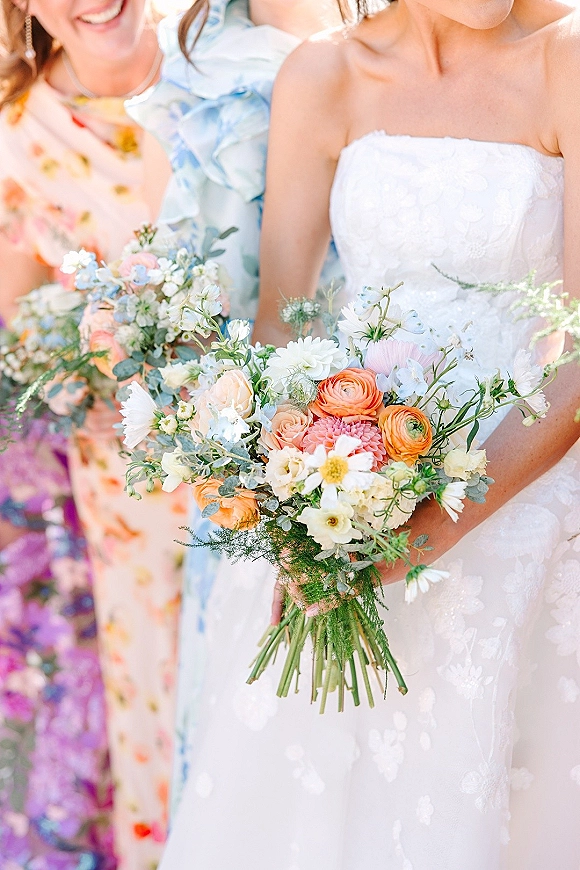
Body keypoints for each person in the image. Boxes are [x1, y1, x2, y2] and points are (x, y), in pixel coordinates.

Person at [157, 0, 580, 868]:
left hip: (521, 501)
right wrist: (297, 517)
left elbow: (577, 359)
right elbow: (282, 334)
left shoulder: (565, 62)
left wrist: (426, 535)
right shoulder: (322, 73)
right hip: (342, 503)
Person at [128, 0, 342, 814]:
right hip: (260, 448)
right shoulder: (196, 58)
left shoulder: (411, 29)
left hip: (410, 419)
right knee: (263, 754)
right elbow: (168, 282)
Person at [0, 1, 187, 866]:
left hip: (277, 455)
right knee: (161, 703)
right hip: (131, 492)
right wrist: (69, 383)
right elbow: (14, 331)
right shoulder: (19, 134)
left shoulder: (223, 63)